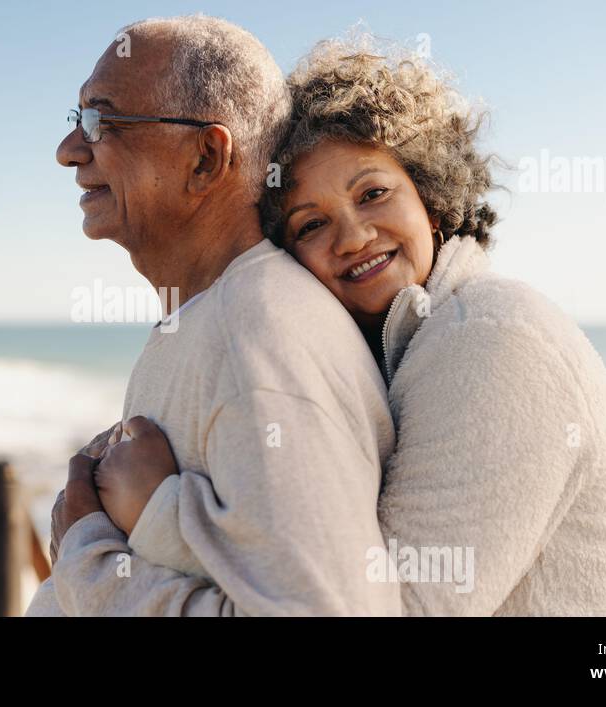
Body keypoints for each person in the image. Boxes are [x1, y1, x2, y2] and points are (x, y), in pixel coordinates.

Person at [98, 34, 606, 615]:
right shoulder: (403, 346)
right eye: (310, 225)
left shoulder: (492, 338)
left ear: (432, 200)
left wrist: (155, 514)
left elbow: (393, 608)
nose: (353, 236)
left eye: (373, 193)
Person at [24, 15, 399, 617]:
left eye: (100, 119)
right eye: (76, 121)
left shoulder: (257, 332)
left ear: (205, 158)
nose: (69, 151)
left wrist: (86, 555)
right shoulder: (214, 316)